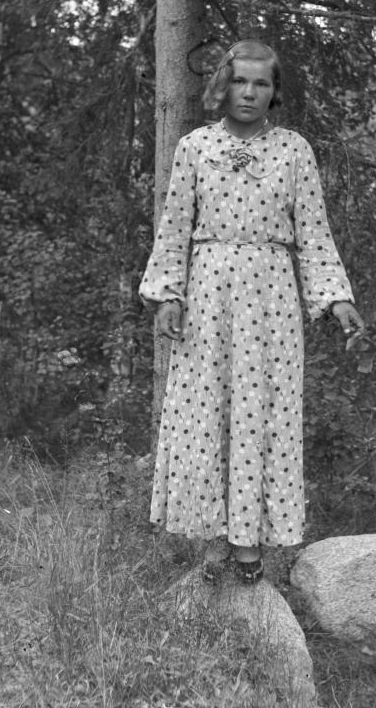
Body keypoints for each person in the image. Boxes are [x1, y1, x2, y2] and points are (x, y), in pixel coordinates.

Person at [139, 39, 364, 584]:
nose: (249, 92)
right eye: (240, 80)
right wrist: (168, 296)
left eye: (261, 83)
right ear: (224, 84)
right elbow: (174, 226)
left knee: (262, 413)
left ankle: (248, 543)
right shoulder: (195, 147)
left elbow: (314, 233)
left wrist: (336, 298)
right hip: (207, 294)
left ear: (274, 91)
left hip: (271, 300)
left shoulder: (293, 150)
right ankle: (211, 539)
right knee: (205, 413)